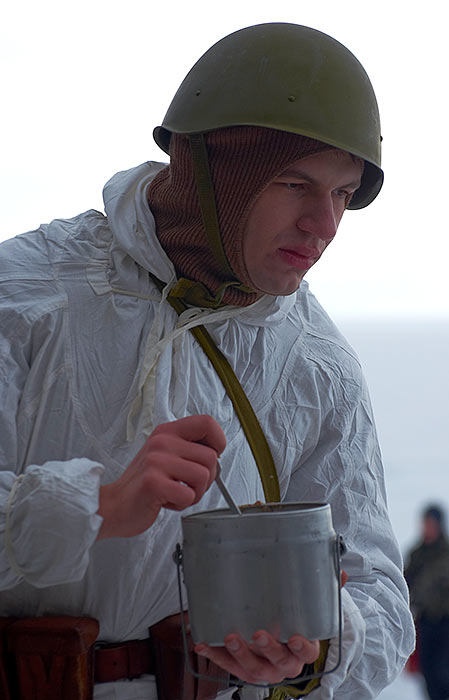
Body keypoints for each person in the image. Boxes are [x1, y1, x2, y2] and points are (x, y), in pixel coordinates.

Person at [0, 21, 414, 700]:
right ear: (212, 173)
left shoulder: (318, 363)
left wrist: (314, 645)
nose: (324, 224)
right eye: (294, 183)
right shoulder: (24, 296)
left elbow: (380, 603)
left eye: (342, 194)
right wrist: (96, 506)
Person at [405, 505, 449, 700]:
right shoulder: (417, 554)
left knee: (443, 671)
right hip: (425, 621)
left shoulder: (446, 553)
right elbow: (406, 583)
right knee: (428, 671)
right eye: (426, 523)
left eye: (431, 523)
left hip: (446, 622)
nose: (428, 527)